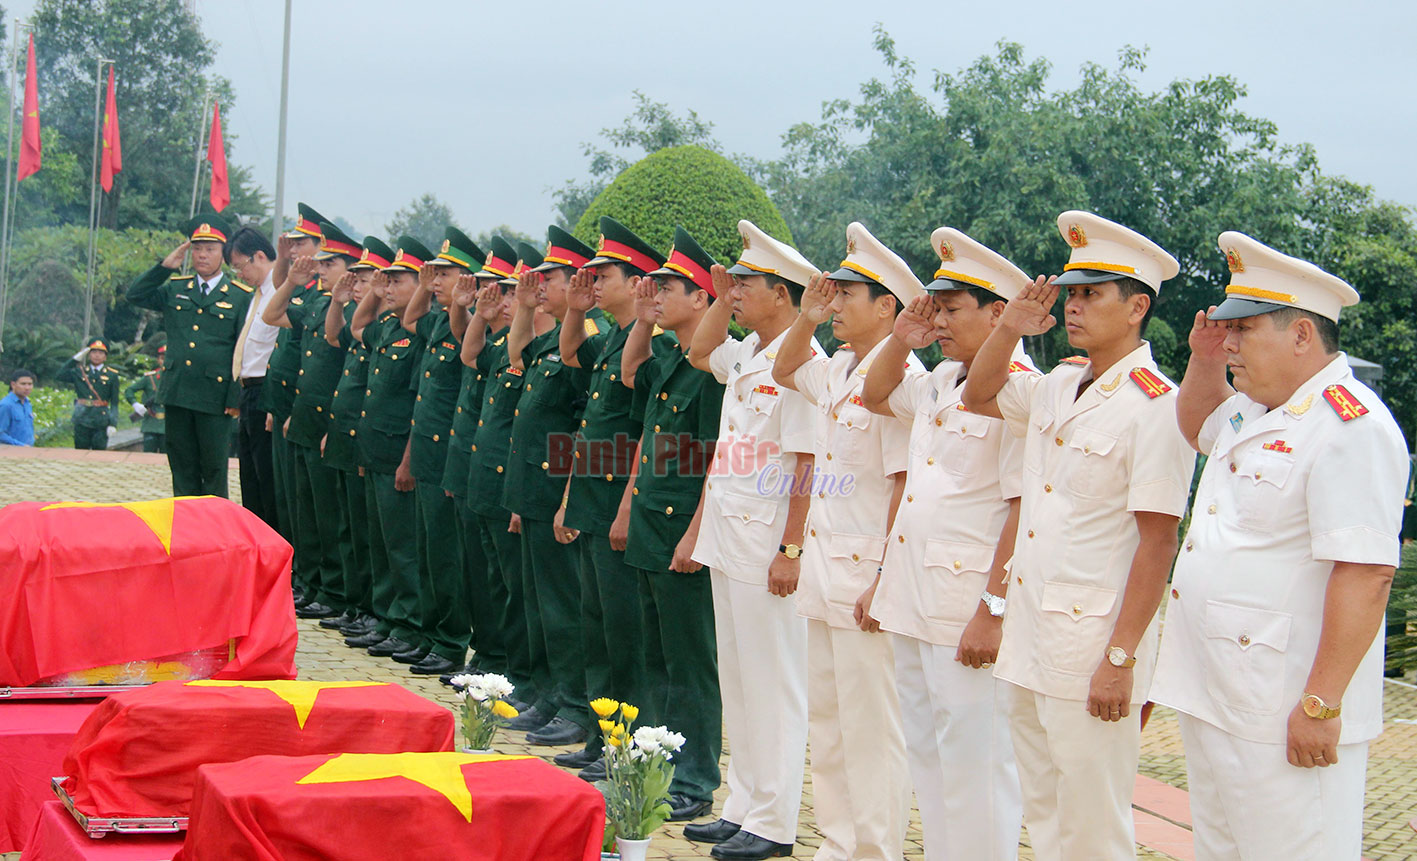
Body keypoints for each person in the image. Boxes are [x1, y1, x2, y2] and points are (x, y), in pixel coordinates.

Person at [1150, 232, 1408, 859]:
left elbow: (1366, 573)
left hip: (1284, 702)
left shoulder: (1349, 425)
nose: (1230, 342)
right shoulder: (1255, 409)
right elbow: (1196, 425)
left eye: (1244, 329)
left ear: (1301, 335)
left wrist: (1320, 704)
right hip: (1219, 689)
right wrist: (1204, 359)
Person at [961, 211, 1196, 861]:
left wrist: (1120, 660)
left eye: (1091, 293)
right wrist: (1009, 326)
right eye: (1070, 293)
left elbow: (1157, 542)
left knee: (1094, 822)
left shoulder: (1157, 406)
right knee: (1044, 807)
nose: (1073, 306)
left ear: (1137, 307)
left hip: (1092, 645)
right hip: (1031, 633)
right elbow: (977, 393)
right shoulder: (1058, 384)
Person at [859, 227, 1034, 859]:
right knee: (929, 754)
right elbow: (875, 395)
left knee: (977, 766)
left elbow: (1022, 507)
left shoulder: (1019, 393)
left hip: (965, 606)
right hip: (914, 596)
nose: (939, 322)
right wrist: (900, 340)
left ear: (999, 313)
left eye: (952, 309)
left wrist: (994, 609)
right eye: (935, 309)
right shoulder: (939, 378)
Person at [771, 221, 922, 861]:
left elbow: (904, 486)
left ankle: (876, 850)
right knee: (830, 723)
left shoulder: (902, 379)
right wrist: (806, 316)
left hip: (866, 578)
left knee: (873, 730)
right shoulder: (836, 368)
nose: (835, 304)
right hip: (826, 571)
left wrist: (885, 579)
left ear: (887, 307)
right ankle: (837, 844)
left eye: (847, 295)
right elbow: (784, 368)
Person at [685, 220, 819, 859]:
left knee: (775, 686)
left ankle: (774, 822)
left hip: (768, 547)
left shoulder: (803, 365)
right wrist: (719, 300)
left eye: (746, 284)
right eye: (732, 283)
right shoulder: (746, 352)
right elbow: (698, 353)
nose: (735, 292)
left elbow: (808, 464)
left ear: (782, 294)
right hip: (729, 538)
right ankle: (742, 805)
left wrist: (791, 550)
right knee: (738, 681)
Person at [619, 227, 726, 823]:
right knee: (654, 656)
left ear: (702, 297)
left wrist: (695, 534)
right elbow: (630, 375)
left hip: (681, 529)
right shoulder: (669, 360)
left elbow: (717, 460)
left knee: (689, 661)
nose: (655, 296)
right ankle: (656, 765)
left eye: (667, 288)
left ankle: (695, 777)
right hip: (650, 525)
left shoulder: (713, 369)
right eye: (653, 287)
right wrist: (642, 320)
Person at [558, 216, 668, 782]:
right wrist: (575, 310)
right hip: (592, 500)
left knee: (626, 632)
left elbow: (649, 435)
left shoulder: (655, 346)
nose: (594, 283)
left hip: (621, 504)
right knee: (596, 624)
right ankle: (602, 735)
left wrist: (626, 507)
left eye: (604, 276)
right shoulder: (609, 340)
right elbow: (570, 355)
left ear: (637, 282)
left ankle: (628, 742)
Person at [503, 226, 601, 748]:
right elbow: (517, 354)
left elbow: (585, 428)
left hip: (558, 492)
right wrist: (523, 307)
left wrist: (567, 499)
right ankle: (547, 694)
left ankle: (575, 704)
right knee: (540, 604)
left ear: (578, 283)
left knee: (564, 607)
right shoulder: (551, 342)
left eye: (550, 278)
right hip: (533, 492)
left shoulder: (587, 345)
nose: (539, 286)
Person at [264, 221, 363, 620]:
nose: (321, 270)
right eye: (319, 264)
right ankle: (311, 582)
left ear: (351, 270)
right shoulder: (319, 304)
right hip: (306, 418)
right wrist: (292, 281)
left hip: (330, 424)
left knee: (330, 514)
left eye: (329, 264)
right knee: (305, 511)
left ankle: (333, 589)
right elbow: (272, 314)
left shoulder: (355, 313)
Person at [398, 226, 485, 677]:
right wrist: (426, 283)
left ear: (469, 280)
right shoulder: (437, 322)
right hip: (431, 454)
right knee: (430, 551)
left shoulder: (467, 327)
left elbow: (462, 330)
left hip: (450, 454)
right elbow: (410, 320)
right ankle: (430, 634)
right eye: (434, 274)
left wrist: (461, 303)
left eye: (445, 275)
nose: (435, 282)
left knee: (449, 558)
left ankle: (450, 641)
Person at [348, 237, 433, 662]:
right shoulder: (387, 326)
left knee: (402, 547)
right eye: (389, 281)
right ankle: (385, 618)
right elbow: (357, 328)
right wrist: (376, 294)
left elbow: (420, 403)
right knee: (381, 543)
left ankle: (407, 623)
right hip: (375, 450)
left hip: (399, 452)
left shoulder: (420, 333)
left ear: (421, 286)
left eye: (399, 281)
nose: (390, 287)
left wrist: (408, 460)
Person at [125, 214, 251, 495]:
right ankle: (184, 521)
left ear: (224, 254)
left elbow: (242, 350)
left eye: (210, 249)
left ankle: (213, 523)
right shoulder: (176, 288)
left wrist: (234, 398)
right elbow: (135, 295)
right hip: (178, 391)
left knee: (214, 469)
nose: (202, 255)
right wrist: (164, 268)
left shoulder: (240, 296)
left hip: (215, 396)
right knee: (181, 467)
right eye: (197, 248)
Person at [327, 236, 397, 644]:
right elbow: (343, 332)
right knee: (354, 529)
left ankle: (379, 612)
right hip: (357, 440)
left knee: (382, 539)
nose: (359, 287)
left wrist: (375, 292)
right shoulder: (378, 329)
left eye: (368, 279)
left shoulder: (401, 328)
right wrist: (344, 300)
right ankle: (361, 605)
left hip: (383, 446)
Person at [225, 225, 282, 529]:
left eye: (240, 266)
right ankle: (256, 541)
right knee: (249, 477)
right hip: (248, 392)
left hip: (266, 391)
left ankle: (274, 542)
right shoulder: (257, 295)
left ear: (259, 256)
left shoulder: (282, 291)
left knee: (267, 478)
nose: (240, 274)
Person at [57, 340, 120, 450]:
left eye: (100, 353)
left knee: (99, 453)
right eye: (93, 352)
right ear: (89, 355)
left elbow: (114, 402)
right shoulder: (80, 372)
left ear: (105, 357)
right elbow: (60, 375)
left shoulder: (112, 375)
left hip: (101, 420)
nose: (97, 355)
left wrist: (113, 423)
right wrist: (75, 359)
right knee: (80, 452)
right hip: (82, 418)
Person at [123, 346, 167, 452]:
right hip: (150, 424)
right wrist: (135, 404)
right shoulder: (150, 378)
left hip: (169, 426)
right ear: (158, 360)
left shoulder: (177, 379)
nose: (165, 361)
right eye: (162, 358)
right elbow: (129, 390)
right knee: (148, 457)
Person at [0, 368, 35, 446]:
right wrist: (21, 445)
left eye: (30, 384)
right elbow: (1, 434)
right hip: (10, 451)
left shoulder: (27, 404)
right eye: (23, 384)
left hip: (28, 450)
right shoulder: (6, 405)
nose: (27, 388)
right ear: (13, 385)